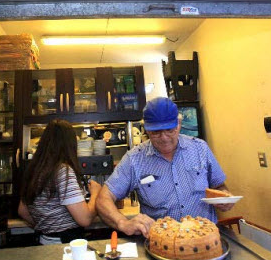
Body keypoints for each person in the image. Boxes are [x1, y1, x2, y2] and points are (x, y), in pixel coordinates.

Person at [96, 97, 234, 237]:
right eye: (156, 132)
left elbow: (220, 186)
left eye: (169, 130)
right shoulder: (134, 160)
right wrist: (123, 223)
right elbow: (103, 199)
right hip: (162, 243)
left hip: (204, 239)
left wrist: (225, 198)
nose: (164, 137)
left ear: (179, 124)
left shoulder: (200, 149)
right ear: (146, 130)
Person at [18, 119, 102, 244]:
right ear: (70, 144)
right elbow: (85, 219)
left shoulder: (35, 169)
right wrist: (96, 193)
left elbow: (23, 211)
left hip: (44, 240)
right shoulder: (63, 171)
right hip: (64, 244)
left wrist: (48, 225)